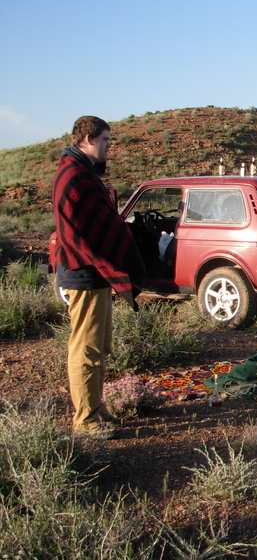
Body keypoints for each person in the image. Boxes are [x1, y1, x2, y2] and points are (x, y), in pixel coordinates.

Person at [52, 116, 145, 439]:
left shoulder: (83, 173)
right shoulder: (74, 176)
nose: (109, 146)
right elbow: (83, 229)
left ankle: (97, 408)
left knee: (101, 344)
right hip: (83, 271)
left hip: (94, 272)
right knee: (86, 347)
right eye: (106, 139)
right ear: (89, 138)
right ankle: (86, 419)